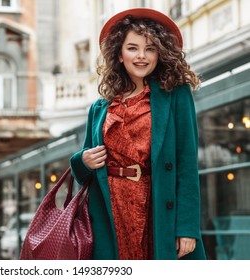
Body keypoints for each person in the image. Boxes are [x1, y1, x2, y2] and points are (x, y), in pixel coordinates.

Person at [70, 8, 206, 260]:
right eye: (132, 48)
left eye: (150, 48)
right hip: (110, 212)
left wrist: (187, 228)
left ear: (160, 53)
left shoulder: (175, 95)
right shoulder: (100, 107)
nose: (141, 56)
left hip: (156, 207)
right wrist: (82, 161)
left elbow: (187, 164)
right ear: (119, 55)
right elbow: (84, 172)